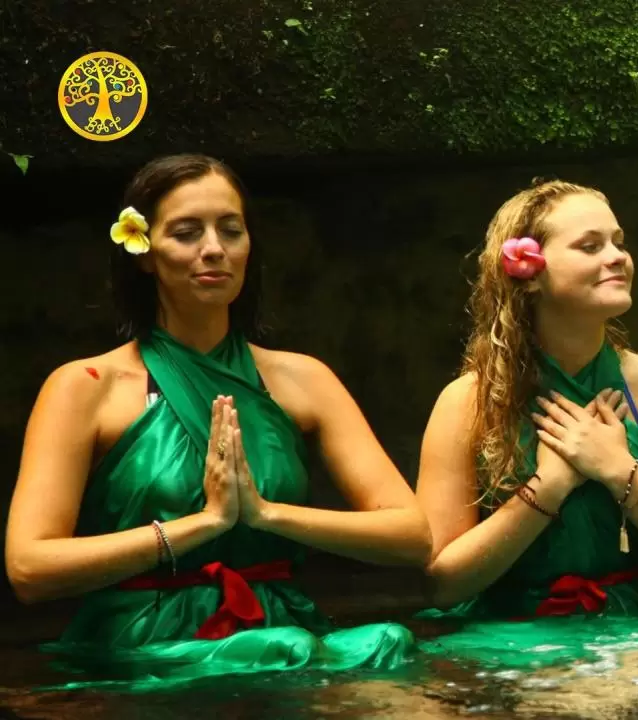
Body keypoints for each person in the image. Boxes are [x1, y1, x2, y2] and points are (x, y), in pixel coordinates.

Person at [5, 154, 432, 689]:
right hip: (142, 640)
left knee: (387, 640)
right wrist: (201, 525)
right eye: (186, 233)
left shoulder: (304, 379)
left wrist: (264, 514)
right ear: (143, 252)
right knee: (286, 651)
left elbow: (411, 535)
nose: (214, 248)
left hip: (281, 628)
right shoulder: (85, 386)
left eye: (230, 230)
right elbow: (29, 568)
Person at [414, 179, 638, 666]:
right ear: (528, 273)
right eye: (590, 246)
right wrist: (547, 487)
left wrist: (619, 471)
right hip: (506, 634)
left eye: (619, 242)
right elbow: (441, 583)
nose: (617, 257)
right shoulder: (465, 404)